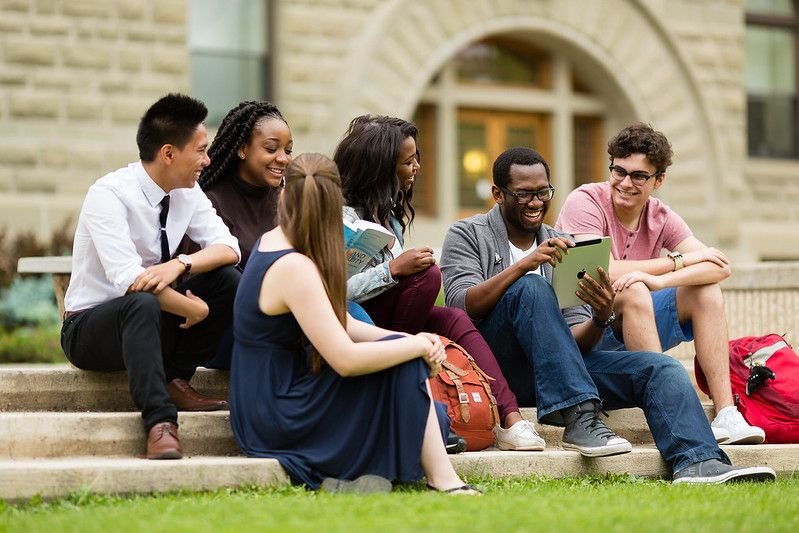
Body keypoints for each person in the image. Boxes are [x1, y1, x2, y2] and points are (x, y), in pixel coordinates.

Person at [440, 146, 775, 482]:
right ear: (498, 194)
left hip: (560, 374)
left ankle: (698, 461)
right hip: (499, 370)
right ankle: (582, 419)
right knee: (531, 288)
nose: (536, 202)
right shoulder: (467, 234)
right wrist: (525, 266)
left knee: (660, 368)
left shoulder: (563, 243)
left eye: (543, 192)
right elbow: (461, 306)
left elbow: (573, 342)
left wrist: (600, 318)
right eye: (524, 194)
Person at [229, 152, 479, 494]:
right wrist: (414, 346)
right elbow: (345, 360)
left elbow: (343, 323)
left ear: (285, 194)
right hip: (278, 411)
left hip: (272, 396)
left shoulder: (275, 241)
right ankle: (445, 481)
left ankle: (396, 471)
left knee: (420, 393)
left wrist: (414, 340)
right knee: (409, 377)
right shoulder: (294, 267)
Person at [333, 115, 544, 452]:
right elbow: (330, 292)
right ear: (381, 167)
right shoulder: (339, 216)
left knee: (453, 318)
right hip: (355, 324)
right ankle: (409, 388)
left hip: (393, 317)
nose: (416, 167)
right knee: (427, 277)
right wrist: (393, 270)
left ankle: (511, 419)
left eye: (416, 158)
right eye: (408, 161)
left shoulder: (387, 215)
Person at [555, 123, 765, 445]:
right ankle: (668, 411)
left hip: (635, 324)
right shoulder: (586, 200)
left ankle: (726, 413)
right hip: (585, 334)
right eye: (619, 171)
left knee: (704, 290)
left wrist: (659, 280)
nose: (625, 183)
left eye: (638, 176)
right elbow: (601, 272)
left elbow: (718, 266)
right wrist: (673, 264)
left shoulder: (661, 215)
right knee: (634, 288)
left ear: (659, 180)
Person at [61, 93, 241, 460]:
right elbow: (130, 281)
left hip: (153, 318)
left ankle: (175, 378)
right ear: (168, 153)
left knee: (228, 280)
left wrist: (182, 265)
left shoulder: (187, 193)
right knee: (140, 302)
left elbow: (229, 247)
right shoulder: (109, 194)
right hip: (91, 327)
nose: (208, 161)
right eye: (201, 150)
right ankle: (160, 423)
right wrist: (195, 311)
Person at [191, 101, 372, 369]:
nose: (283, 159)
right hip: (234, 331)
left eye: (288, 150)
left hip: (293, 314)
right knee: (342, 325)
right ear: (241, 149)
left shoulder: (285, 199)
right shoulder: (209, 203)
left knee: (349, 314)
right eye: (271, 148)